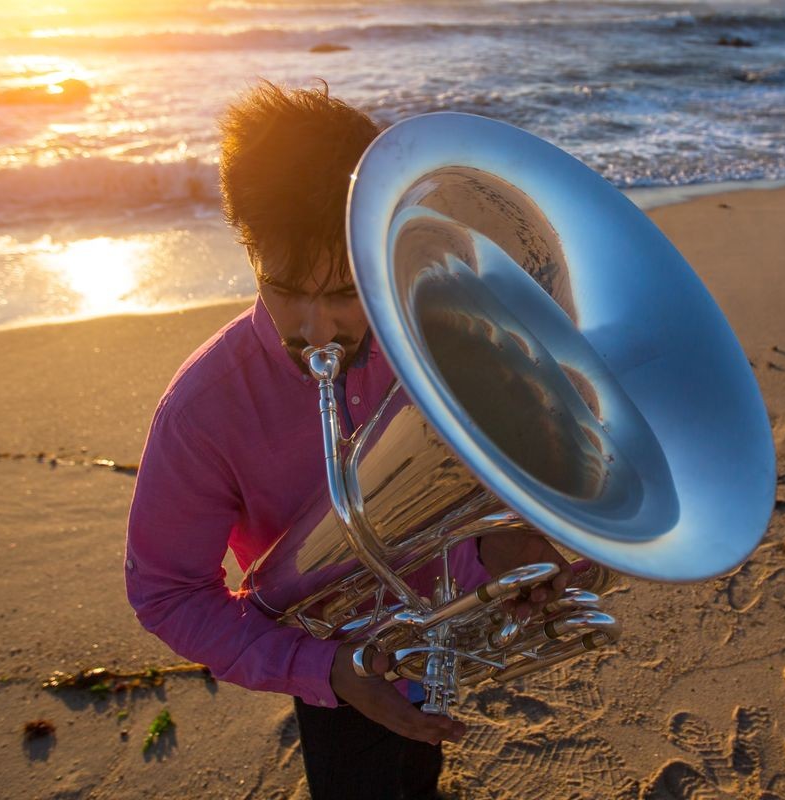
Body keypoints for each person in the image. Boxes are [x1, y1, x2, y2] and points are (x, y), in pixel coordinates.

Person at [124, 80, 570, 800]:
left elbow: (485, 465)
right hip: (332, 653)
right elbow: (168, 594)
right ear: (246, 246)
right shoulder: (203, 411)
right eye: (284, 286)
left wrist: (501, 546)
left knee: (417, 772)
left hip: (443, 619)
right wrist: (327, 672)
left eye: (343, 292)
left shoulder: (437, 328)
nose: (317, 330)